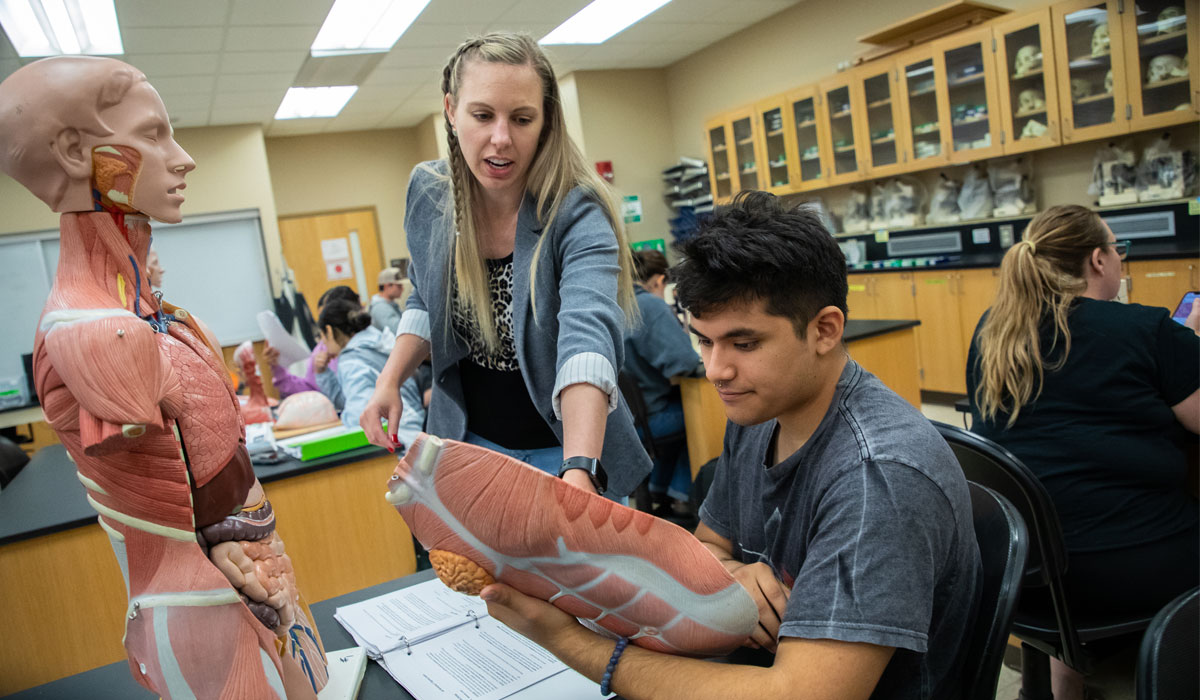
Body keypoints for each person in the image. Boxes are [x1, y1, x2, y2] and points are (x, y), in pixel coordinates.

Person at [479, 191, 982, 700]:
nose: (716, 370)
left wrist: (569, 642)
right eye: (703, 340)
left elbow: (802, 695)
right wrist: (732, 576)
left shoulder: (879, 476)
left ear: (825, 330)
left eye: (744, 344)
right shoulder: (761, 409)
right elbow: (709, 546)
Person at [359, 32, 650, 499]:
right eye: (482, 115)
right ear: (451, 111)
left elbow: (587, 336)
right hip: (472, 447)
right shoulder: (430, 192)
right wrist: (389, 379)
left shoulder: (576, 210)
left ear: (546, 120)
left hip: (568, 448)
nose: (501, 138)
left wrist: (579, 469)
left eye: (521, 118)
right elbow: (423, 295)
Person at [966, 204, 1199, 700]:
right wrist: (1190, 349)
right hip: (1134, 572)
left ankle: (1066, 679)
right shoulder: (1150, 331)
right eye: (1119, 250)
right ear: (1097, 260)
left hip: (1028, 579)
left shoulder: (994, 334)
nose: (1120, 260)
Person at [623, 249, 702, 516]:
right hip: (649, 421)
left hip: (624, 422)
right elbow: (686, 363)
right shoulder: (649, 306)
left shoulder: (613, 304)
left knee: (678, 411)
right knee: (703, 415)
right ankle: (682, 496)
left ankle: (660, 485)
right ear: (659, 281)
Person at [319, 299, 425, 450]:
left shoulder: (352, 359)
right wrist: (323, 373)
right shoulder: (382, 343)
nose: (323, 343)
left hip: (394, 446)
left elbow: (359, 415)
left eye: (322, 336)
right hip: (417, 434)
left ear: (329, 330)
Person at [265, 285, 359, 406]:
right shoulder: (322, 348)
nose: (323, 334)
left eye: (327, 323)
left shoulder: (364, 350)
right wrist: (277, 366)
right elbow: (310, 389)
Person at [369, 267, 405, 332]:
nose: (402, 289)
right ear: (387, 286)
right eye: (399, 286)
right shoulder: (381, 308)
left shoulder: (389, 304)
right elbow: (399, 330)